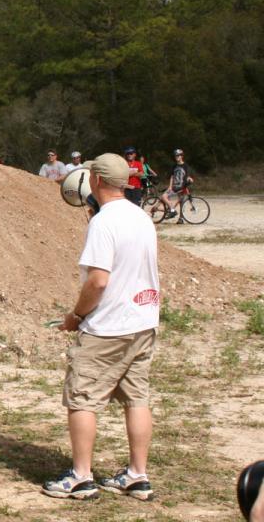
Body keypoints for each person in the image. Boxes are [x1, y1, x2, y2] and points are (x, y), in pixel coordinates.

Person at [43, 153, 159, 502]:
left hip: (109, 326)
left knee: (82, 399)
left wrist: (75, 317)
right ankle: (137, 476)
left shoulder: (104, 223)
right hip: (143, 321)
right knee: (136, 398)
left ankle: (80, 477)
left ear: (94, 180)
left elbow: (98, 281)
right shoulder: (142, 218)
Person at [161, 149, 194, 221]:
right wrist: (170, 186)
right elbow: (172, 176)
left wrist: (189, 179)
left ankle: (181, 219)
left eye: (178, 155)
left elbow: (188, 175)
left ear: (182, 156)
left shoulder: (185, 166)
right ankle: (172, 210)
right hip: (174, 187)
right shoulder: (174, 166)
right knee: (164, 196)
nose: (177, 157)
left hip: (182, 187)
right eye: (176, 156)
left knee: (182, 202)